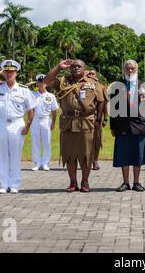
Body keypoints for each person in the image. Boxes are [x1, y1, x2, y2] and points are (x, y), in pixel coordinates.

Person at [44, 59, 105, 193]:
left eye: (79, 66)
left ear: (84, 68)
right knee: (69, 154)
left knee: (86, 154)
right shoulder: (63, 82)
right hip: (68, 121)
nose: (76, 68)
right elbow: (47, 80)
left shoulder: (92, 83)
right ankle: (73, 182)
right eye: (73, 66)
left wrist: (99, 120)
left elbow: (101, 101)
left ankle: (85, 181)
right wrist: (59, 67)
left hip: (86, 122)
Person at [0, 60, 37, 194]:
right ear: (3, 73)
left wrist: (28, 125)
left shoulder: (23, 90)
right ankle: (3, 184)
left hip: (17, 124)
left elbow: (31, 109)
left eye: (12, 71)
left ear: (16, 73)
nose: (9, 73)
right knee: (2, 154)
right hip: (1, 123)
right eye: (6, 71)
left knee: (15, 154)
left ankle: (15, 184)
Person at [110, 60, 145, 192]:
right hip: (122, 126)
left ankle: (137, 182)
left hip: (139, 126)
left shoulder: (144, 86)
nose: (130, 71)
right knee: (123, 155)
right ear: (124, 70)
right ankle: (125, 182)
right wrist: (112, 127)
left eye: (132, 68)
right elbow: (112, 107)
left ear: (137, 70)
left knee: (137, 155)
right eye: (127, 68)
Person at [30, 74, 59, 171]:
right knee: (35, 142)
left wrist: (53, 123)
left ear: (46, 83)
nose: (41, 83)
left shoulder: (51, 96)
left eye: (43, 82)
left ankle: (45, 163)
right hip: (35, 120)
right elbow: (31, 109)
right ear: (37, 83)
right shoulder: (32, 95)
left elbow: (54, 110)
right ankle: (37, 163)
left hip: (46, 120)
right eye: (39, 82)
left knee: (47, 142)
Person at [86, 69, 108, 171]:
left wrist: (105, 119)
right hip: (84, 118)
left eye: (92, 74)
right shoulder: (82, 86)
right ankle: (86, 161)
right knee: (85, 141)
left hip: (96, 118)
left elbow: (105, 105)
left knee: (96, 140)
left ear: (96, 76)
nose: (90, 75)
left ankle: (95, 161)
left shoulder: (101, 87)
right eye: (89, 74)